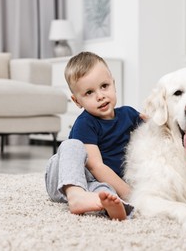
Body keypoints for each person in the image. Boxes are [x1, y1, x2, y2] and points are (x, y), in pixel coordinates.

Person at [45, 51, 143, 221]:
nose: (100, 96)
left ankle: (114, 207)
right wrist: (130, 193)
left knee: (106, 193)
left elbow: (154, 126)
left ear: (114, 84)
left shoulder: (129, 114)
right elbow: (96, 166)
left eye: (104, 86)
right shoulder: (86, 123)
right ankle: (76, 195)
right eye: (89, 92)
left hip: (96, 182)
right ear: (77, 101)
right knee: (72, 144)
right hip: (65, 178)